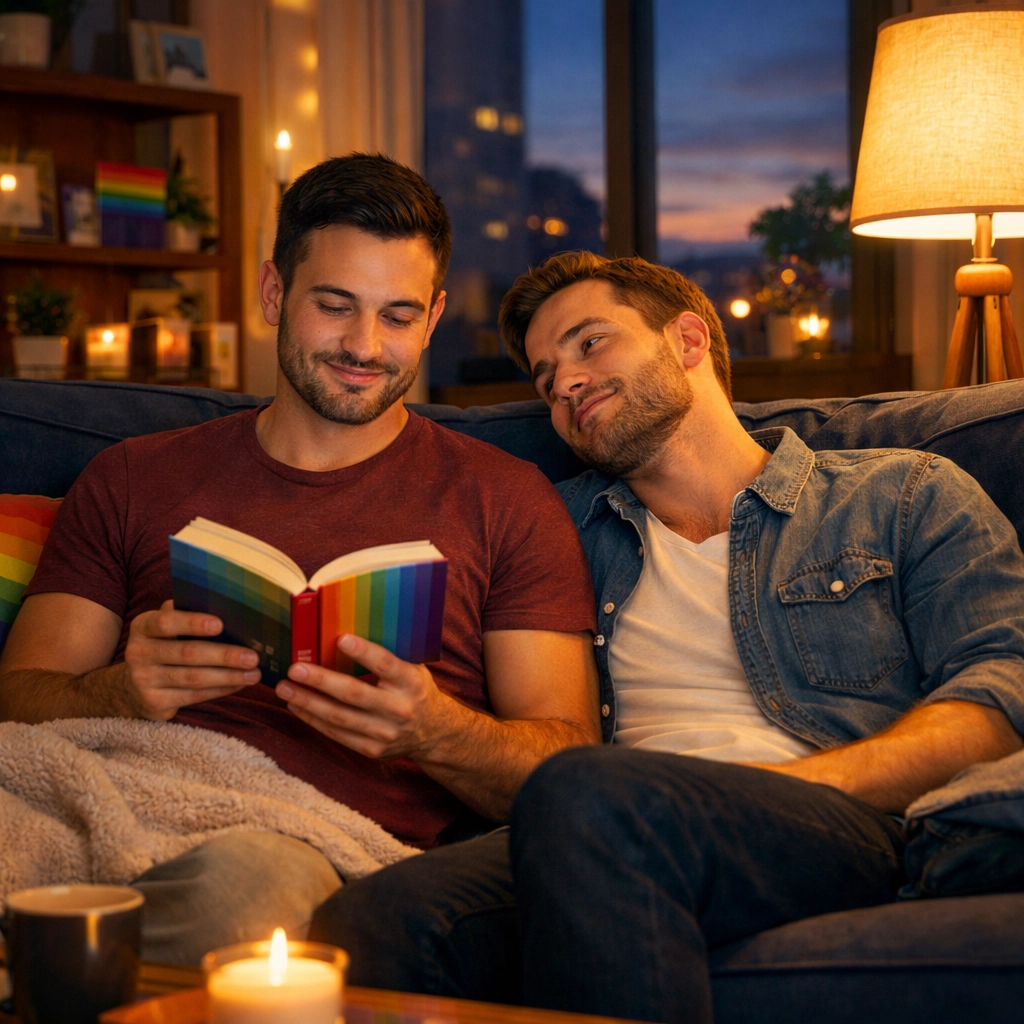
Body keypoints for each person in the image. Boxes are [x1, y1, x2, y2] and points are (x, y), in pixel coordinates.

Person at [311, 251, 1024, 1022]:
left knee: (592, 793)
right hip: (591, 834)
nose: (567, 384)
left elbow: (1000, 698)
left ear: (688, 340)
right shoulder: (551, 528)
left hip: (842, 825)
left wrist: (794, 787)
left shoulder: (902, 492)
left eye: (589, 344)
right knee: (366, 923)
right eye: (547, 380)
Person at [0, 157, 600, 965]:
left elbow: (568, 769)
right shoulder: (134, 476)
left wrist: (435, 732)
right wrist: (117, 690)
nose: (364, 345)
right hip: (115, 788)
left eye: (397, 315)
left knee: (249, 893)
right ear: (274, 293)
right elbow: (15, 702)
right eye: (334, 306)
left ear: (433, 319)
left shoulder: (503, 499)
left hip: (302, 845)